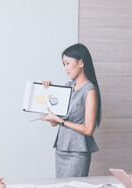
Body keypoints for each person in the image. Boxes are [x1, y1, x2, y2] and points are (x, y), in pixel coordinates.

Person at [41, 43, 101, 178]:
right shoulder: (68, 86)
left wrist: (61, 121)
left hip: (77, 152)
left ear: (81, 63)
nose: (66, 68)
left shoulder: (89, 90)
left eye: (68, 63)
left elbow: (88, 129)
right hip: (61, 148)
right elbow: (54, 123)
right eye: (64, 64)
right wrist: (48, 93)